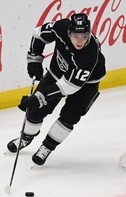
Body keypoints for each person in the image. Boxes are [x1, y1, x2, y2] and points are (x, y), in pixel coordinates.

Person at [7, 13, 106, 166]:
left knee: (69, 116)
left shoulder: (89, 55)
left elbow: (69, 87)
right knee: (35, 111)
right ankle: (25, 138)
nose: (80, 41)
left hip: (86, 85)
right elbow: (38, 34)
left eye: (84, 36)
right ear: (68, 32)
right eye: (75, 36)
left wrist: (39, 97)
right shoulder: (60, 27)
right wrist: (34, 58)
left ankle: (47, 147)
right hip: (57, 72)